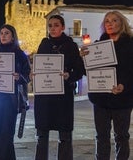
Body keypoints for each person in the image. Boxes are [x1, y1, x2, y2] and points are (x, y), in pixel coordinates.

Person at [80, 10, 133, 159]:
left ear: (122, 23)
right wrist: (84, 58)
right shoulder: (98, 46)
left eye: (114, 20)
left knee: (121, 136)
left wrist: (124, 86)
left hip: (123, 99)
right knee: (101, 137)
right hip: (101, 99)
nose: (110, 24)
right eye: (107, 21)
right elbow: (87, 72)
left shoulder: (130, 45)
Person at [34, 15, 85, 160]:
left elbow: (79, 70)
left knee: (65, 135)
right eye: (50, 25)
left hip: (63, 97)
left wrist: (69, 75)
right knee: (41, 135)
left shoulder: (71, 45)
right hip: (44, 97)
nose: (52, 28)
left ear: (62, 27)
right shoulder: (44, 44)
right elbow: (40, 65)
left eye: (56, 25)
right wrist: (35, 74)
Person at [0, 24, 31, 160]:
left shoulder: (20, 55)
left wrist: (19, 77)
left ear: (13, 36)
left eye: (7, 33)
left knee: (6, 134)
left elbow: (27, 75)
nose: (3, 35)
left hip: (12, 99)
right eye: (1, 33)